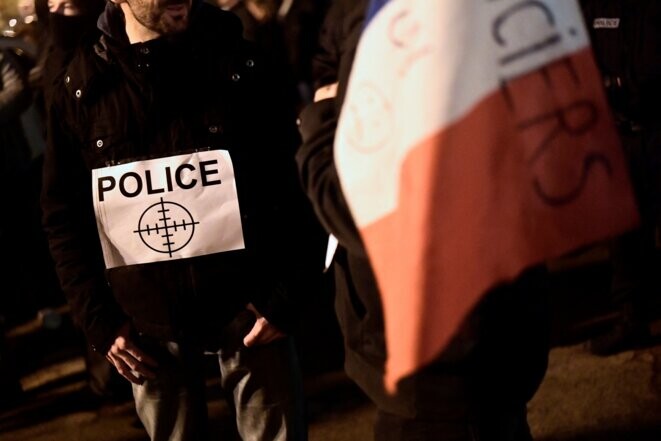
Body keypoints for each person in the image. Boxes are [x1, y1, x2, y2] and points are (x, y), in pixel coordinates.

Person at [40, 0, 311, 439]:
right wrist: (101, 323)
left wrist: (286, 294)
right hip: (148, 332)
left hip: (252, 317)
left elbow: (295, 183)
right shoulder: (79, 86)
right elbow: (63, 216)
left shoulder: (239, 63)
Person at [295, 1, 552, 439]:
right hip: (486, 360)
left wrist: (320, 123)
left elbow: (359, 213)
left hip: (440, 381)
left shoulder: (411, 32)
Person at [579, 0, 661, 355]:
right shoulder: (593, 4)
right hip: (620, 134)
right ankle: (632, 319)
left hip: (658, 129)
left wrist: (627, 83)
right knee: (625, 234)